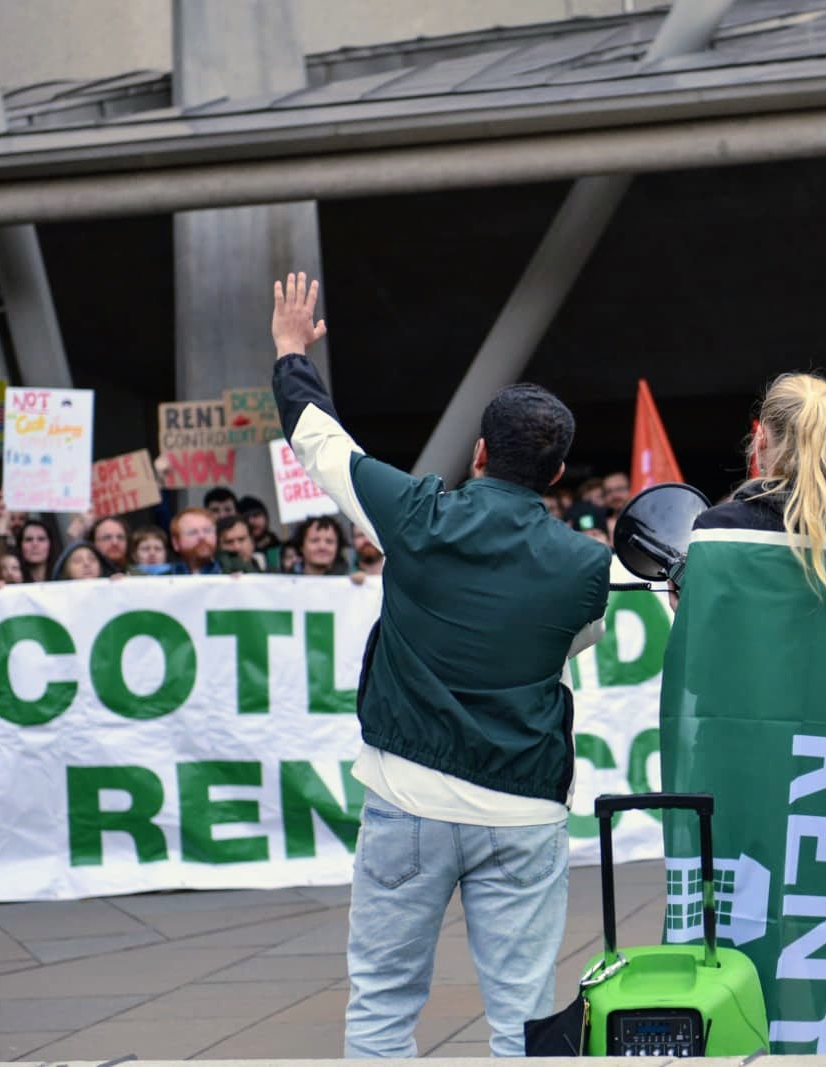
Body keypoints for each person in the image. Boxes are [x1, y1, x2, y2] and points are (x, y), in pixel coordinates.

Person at [269, 271, 610, 1059]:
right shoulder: (583, 566)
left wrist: (292, 353)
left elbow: (318, 439)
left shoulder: (416, 514)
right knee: (526, 1018)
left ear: (481, 451)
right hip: (523, 813)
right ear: (556, 474)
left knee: (383, 1004)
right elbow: (574, 643)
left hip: (404, 799)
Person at [658, 370, 826, 1054]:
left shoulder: (719, 530)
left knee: (733, 909)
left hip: (738, 772)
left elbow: (701, 656)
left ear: (760, 438)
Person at [168, 508, 222, 575]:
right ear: (175, 543)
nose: (202, 537)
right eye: (193, 532)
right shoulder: (160, 580)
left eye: (207, 530)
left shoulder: (233, 572)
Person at [16, 519, 60, 583]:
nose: (35, 544)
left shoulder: (64, 577)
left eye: (41, 539)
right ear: (20, 546)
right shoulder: (12, 581)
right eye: (29, 539)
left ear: (51, 545)